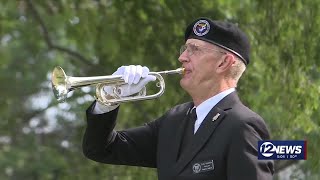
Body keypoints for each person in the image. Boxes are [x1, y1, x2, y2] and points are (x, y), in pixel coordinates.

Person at [82, 17, 274, 180]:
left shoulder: (243, 126)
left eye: (194, 49)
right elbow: (100, 149)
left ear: (223, 62)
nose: (182, 57)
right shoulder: (174, 119)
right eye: (185, 49)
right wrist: (110, 96)